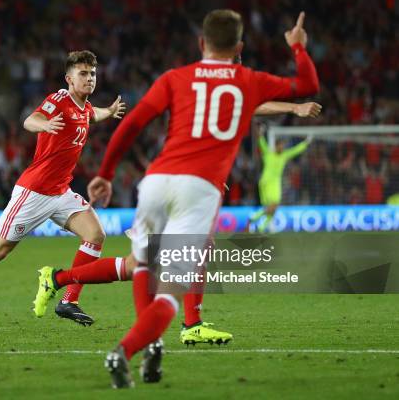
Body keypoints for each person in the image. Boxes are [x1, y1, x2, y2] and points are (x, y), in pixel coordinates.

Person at [35, 9, 319, 388]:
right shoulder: (247, 79)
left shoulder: (176, 78)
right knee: (170, 286)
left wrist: (105, 172)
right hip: (197, 188)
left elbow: (133, 122)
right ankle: (140, 343)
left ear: (201, 44)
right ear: (238, 47)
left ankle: (71, 285)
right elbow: (306, 83)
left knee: (141, 263)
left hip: (156, 182)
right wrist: (298, 48)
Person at [33, 101, 321, 345]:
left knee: (142, 264)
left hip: (176, 181)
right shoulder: (212, 92)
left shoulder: (208, 97)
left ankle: (57, 279)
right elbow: (249, 106)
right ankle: (190, 325)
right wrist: (295, 107)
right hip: (176, 184)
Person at [0, 50, 126, 332]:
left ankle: (69, 300)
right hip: (34, 192)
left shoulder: (84, 108)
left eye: (93, 74)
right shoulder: (59, 100)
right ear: (69, 79)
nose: (89, 79)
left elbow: (91, 115)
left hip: (61, 192)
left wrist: (108, 112)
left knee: (96, 234)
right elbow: (30, 120)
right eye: (83, 74)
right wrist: (45, 125)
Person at [246, 126, 314, 232]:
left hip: (271, 183)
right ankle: (254, 219)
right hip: (267, 183)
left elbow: (296, 150)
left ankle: (260, 227)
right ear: (276, 146)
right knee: (273, 206)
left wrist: (305, 143)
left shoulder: (283, 155)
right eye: (280, 145)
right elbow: (261, 142)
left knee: (272, 209)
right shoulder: (269, 153)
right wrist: (260, 133)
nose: (282, 147)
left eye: (283, 146)